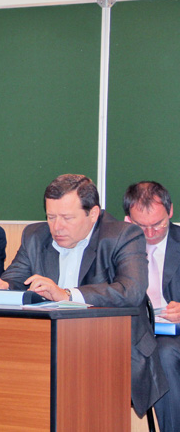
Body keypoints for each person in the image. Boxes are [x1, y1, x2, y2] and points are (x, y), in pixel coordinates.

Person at [0, 174, 167, 418]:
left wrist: (66, 294)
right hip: (49, 346)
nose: (57, 227)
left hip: (112, 348)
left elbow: (132, 290)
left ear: (93, 214)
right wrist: (0, 286)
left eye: (67, 218)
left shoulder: (123, 235)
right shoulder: (35, 236)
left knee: (66, 377)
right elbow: (16, 279)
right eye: (51, 217)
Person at [123, 181, 180, 431]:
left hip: (173, 335)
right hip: (132, 333)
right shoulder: (117, 245)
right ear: (128, 219)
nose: (150, 233)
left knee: (164, 353)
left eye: (157, 224)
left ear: (170, 211)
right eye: (141, 226)